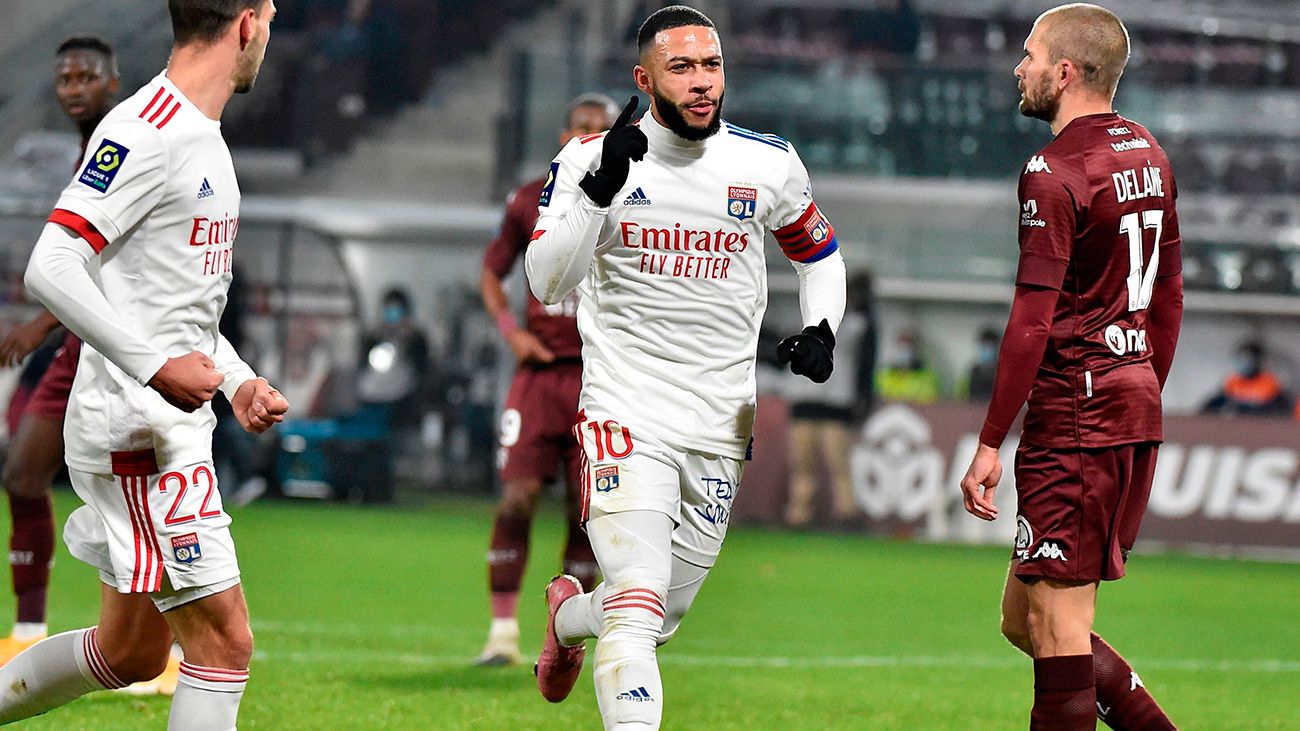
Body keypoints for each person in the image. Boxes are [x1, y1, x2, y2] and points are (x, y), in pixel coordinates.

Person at [526, 7, 846, 729]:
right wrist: (595, 196)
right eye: (682, 68)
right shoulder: (589, 160)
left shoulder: (767, 163)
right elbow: (546, 281)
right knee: (638, 599)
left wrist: (823, 325)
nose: (702, 83)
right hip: (624, 411)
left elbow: (820, 254)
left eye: (712, 65)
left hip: (720, 422)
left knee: (658, 612)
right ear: (645, 79)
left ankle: (570, 617)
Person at [0, 2, 288, 728]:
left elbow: (176, 310)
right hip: (139, 432)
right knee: (224, 642)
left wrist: (237, 379)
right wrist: (156, 365)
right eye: (270, 18)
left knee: (129, 651)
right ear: (247, 24)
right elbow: (53, 263)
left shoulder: (200, 135)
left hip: (162, 422)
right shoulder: (147, 129)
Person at [958, 5, 1182, 729]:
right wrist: (1141, 388)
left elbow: (1032, 317)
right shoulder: (1147, 151)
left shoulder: (1054, 169)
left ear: (1065, 71)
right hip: (1123, 405)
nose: (1017, 68)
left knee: (1057, 632)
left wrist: (991, 440)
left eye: (1028, 55)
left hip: (1079, 419)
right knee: (1024, 620)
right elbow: (1170, 293)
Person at [475, 93, 617, 666]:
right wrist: (511, 332)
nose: (587, 137)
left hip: (599, 379)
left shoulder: (636, 200)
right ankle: (502, 636)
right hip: (538, 377)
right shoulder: (531, 199)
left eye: (599, 130)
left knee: (588, 513)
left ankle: (569, 640)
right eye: (579, 128)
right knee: (517, 496)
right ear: (563, 135)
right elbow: (491, 272)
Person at [0, 35, 122, 667]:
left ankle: (173, 644)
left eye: (86, 76)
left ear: (114, 80)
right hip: (80, 342)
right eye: (65, 78)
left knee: (144, 492)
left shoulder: (128, 144)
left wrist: (38, 325)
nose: (73, 87)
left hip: (123, 347)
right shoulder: (88, 152)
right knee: (22, 475)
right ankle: (26, 631)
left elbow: (106, 256)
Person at [782, 268, 877, 528]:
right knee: (804, 464)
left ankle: (843, 514)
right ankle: (799, 514)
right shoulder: (809, 316)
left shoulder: (855, 323)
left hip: (831, 402)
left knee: (834, 465)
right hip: (810, 399)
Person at [1200, 340, 1292, 416]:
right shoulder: (1233, 381)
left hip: (1262, 428)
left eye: (1247, 359)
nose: (1243, 363)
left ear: (1257, 360)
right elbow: (1213, 405)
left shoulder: (1270, 382)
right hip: (1237, 428)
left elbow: (1283, 408)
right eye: (1240, 358)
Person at [965, 326, 1000, 402]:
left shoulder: (1002, 374)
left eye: (989, 346)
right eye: (983, 345)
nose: (985, 350)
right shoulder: (974, 372)